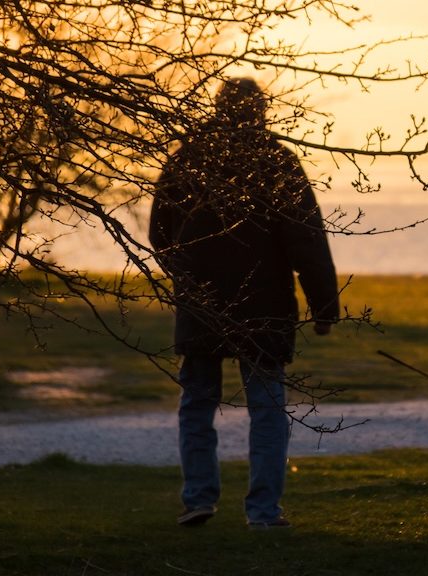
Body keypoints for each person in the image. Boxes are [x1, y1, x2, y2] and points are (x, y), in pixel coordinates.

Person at [149, 77, 339, 529]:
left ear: (218, 109)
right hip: (264, 307)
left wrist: (187, 277)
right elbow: (307, 241)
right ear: (262, 111)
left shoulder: (188, 159)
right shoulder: (277, 162)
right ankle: (263, 511)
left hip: (201, 305)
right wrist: (324, 308)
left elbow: (160, 234)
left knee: (197, 403)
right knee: (267, 409)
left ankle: (198, 498)